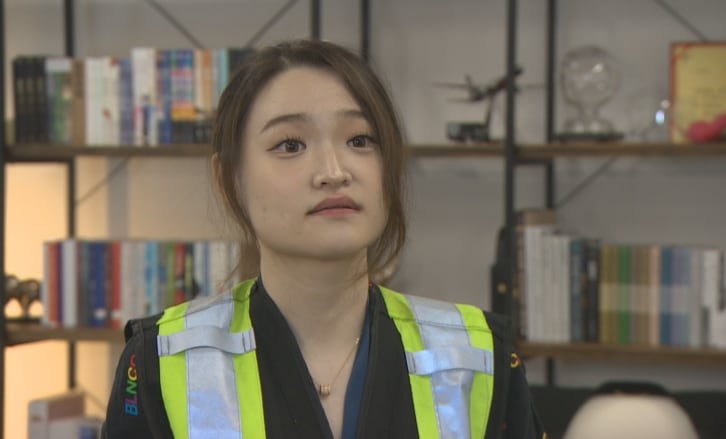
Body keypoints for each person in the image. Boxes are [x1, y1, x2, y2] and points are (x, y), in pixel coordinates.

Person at [102, 39, 546, 439]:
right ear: (228, 180)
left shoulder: (478, 357)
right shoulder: (163, 361)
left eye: (360, 139)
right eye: (291, 145)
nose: (334, 171)